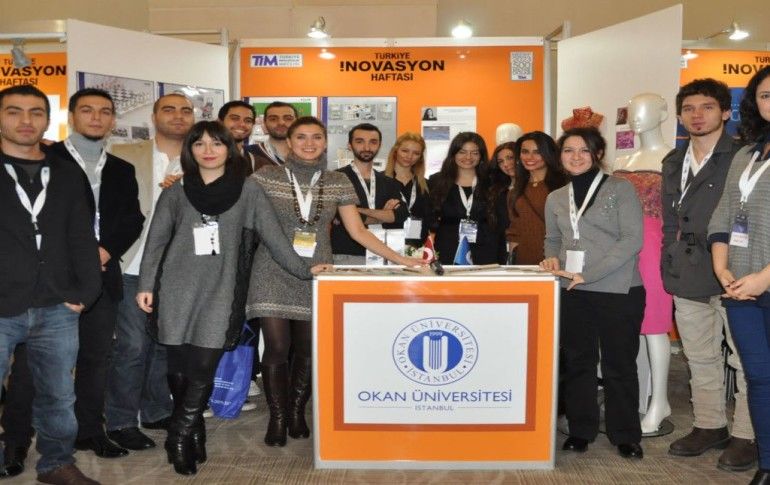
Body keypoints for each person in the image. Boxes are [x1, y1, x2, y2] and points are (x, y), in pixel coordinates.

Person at [135, 121, 323, 475]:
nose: (208, 150)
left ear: (230, 149)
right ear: (190, 150)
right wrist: (146, 285)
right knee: (178, 367)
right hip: (175, 287)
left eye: (217, 143)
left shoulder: (248, 191)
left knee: (204, 365)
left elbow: (274, 239)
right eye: (200, 144)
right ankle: (195, 430)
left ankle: (179, 434)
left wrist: (305, 270)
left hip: (222, 290)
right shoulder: (176, 191)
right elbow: (156, 241)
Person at [245, 116, 422, 447]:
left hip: (320, 270)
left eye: (316, 137)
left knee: (307, 348)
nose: (309, 143)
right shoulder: (265, 178)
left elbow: (358, 231)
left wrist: (402, 260)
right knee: (277, 346)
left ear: (326, 143)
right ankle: (278, 417)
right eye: (301, 137)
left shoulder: (338, 181)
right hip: (272, 270)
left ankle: (297, 411)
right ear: (289, 141)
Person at [1, 88, 145, 465]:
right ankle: (16, 439)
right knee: (30, 369)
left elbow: (133, 219)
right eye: (87, 110)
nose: (96, 118)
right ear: (71, 117)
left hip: (99, 280)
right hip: (46, 284)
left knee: (96, 359)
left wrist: (103, 251)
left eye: (105, 112)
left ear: (113, 120)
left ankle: (89, 431)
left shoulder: (121, 169)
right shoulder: (48, 158)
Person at [0, 85, 102, 483]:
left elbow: (82, 236)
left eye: (36, 112)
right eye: (14, 111)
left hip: (57, 304)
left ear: (48, 119)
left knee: (59, 395)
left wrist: (87, 292)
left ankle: (56, 463)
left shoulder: (65, 173)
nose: (26, 121)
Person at [662, 79, 755, 470]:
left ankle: (748, 434)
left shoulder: (745, 156)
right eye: (689, 109)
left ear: (726, 112)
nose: (697, 115)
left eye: (707, 107)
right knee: (699, 356)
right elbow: (670, 219)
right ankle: (709, 424)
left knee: (745, 359)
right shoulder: (674, 160)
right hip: (687, 272)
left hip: (735, 271)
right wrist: (668, 258)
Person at [541, 127, 645, 459]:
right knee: (577, 362)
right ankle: (580, 430)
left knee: (619, 364)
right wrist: (551, 259)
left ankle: (625, 434)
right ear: (560, 156)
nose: (576, 156)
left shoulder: (620, 188)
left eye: (584, 150)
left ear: (597, 154)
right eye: (568, 150)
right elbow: (552, 240)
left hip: (619, 288)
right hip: (572, 289)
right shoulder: (556, 197)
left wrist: (588, 275)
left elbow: (632, 240)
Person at [105, 93, 194, 451]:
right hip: (133, 263)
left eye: (185, 110)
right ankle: (121, 421)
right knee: (131, 346)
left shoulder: (203, 159)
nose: (178, 116)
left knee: (163, 345)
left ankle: (156, 410)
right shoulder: (123, 153)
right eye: (169, 109)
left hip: (178, 269)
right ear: (154, 116)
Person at [708, 65, 770, 485]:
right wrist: (721, 267)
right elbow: (724, 214)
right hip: (739, 286)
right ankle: (767, 463)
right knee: (759, 379)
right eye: (765, 95)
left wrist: (765, 278)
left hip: (762, 281)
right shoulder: (746, 155)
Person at [613, 92, 675, 437]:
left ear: (663, 113)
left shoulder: (673, 158)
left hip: (656, 247)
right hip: (623, 248)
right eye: (633, 110)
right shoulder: (623, 159)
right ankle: (636, 397)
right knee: (628, 323)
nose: (636, 116)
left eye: (645, 109)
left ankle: (659, 401)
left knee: (654, 325)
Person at [427, 132, 508, 265]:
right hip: (448, 248)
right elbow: (429, 217)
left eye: (474, 153)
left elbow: (501, 222)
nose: (468, 157)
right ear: (453, 154)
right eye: (462, 152)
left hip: (486, 249)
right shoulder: (437, 181)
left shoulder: (493, 182)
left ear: (481, 156)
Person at [331, 123, 408, 264]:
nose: (367, 148)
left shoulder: (388, 182)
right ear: (349, 145)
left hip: (384, 255)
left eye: (373, 142)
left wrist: (358, 210)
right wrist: (384, 215)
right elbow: (341, 216)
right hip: (348, 254)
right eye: (360, 141)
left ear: (379, 145)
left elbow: (401, 215)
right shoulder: (336, 178)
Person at [506, 132, 566, 264]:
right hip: (523, 262)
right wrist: (513, 259)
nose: (530, 157)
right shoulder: (515, 192)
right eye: (525, 152)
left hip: (556, 260)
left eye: (537, 152)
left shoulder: (563, 187)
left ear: (549, 154)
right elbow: (514, 230)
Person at [383, 132, 430, 247]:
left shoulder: (426, 185)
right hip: (386, 246)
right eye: (405, 151)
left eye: (416, 153)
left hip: (417, 247)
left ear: (420, 157)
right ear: (395, 151)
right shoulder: (380, 181)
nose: (409, 156)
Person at [247, 101, 298, 167]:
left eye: (288, 118)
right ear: (265, 123)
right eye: (273, 119)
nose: (281, 123)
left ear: (297, 122)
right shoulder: (248, 153)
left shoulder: (308, 153)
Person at [217, 100, 258, 174]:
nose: (242, 124)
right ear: (220, 122)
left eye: (248, 120)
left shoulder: (258, 163)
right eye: (235, 118)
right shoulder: (205, 158)